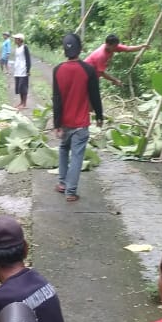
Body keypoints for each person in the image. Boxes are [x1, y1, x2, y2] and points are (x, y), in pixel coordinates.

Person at [52, 33, 103, 204]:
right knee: (77, 156)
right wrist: (99, 116)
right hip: (81, 124)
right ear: (80, 49)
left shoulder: (57, 70)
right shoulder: (88, 70)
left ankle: (62, 183)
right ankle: (70, 191)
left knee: (63, 149)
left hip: (64, 123)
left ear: (64, 51)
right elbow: (95, 95)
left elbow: (56, 99)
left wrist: (56, 124)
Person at [84, 33, 149, 87]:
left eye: (116, 45)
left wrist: (141, 46)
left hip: (94, 75)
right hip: (85, 74)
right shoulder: (101, 55)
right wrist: (115, 80)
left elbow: (128, 49)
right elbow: (101, 73)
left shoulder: (112, 47)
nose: (116, 48)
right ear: (107, 44)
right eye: (114, 46)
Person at [10, 33, 31, 109]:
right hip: (17, 69)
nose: (14, 40)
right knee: (19, 87)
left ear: (20, 40)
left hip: (23, 69)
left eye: (16, 39)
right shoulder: (17, 48)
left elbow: (28, 59)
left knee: (23, 86)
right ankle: (21, 102)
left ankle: (24, 103)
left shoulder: (25, 47)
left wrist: (28, 70)